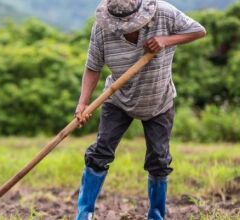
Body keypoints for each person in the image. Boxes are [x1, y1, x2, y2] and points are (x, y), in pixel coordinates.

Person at [74, 0, 206, 219]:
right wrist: (82, 103)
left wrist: (166, 40)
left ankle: (156, 215)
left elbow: (199, 31)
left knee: (159, 160)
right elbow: (93, 66)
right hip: (118, 100)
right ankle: (84, 214)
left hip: (158, 101)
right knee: (100, 153)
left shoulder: (163, 13)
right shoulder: (102, 28)